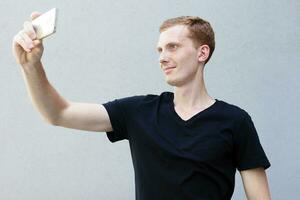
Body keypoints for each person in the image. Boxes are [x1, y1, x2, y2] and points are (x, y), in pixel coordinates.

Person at [13, 12, 271, 200]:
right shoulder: (139, 112)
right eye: (159, 50)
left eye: (172, 47)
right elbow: (58, 113)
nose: (162, 57)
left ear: (202, 53)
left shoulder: (235, 121)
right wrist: (30, 66)